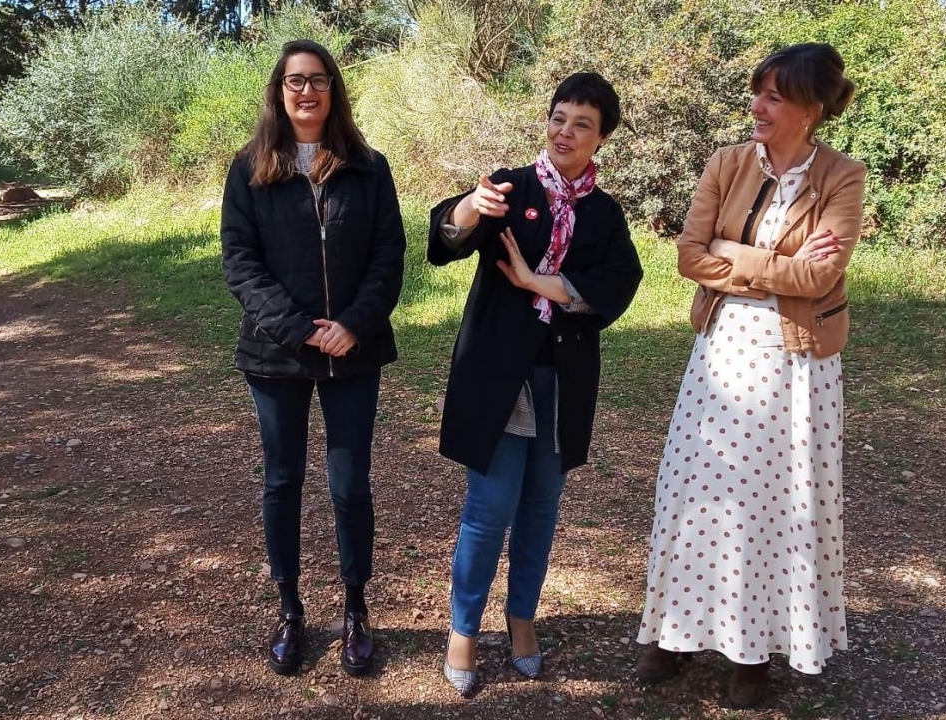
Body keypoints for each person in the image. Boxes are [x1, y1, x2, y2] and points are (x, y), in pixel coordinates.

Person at [633, 43, 866, 708]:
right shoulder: (727, 163)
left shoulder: (843, 177)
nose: (758, 107)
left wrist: (733, 257)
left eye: (773, 96)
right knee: (693, 490)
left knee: (774, 504)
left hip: (797, 362)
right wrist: (768, 264)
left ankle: (755, 651)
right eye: (757, 93)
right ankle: (674, 632)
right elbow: (687, 256)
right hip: (724, 350)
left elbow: (822, 276)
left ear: (811, 110)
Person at [427, 72, 643, 696]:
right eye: (558, 117)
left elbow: (619, 283)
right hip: (499, 376)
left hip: (563, 380)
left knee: (542, 511)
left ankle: (522, 619)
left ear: (601, 138)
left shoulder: (604, 212)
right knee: (488, 511)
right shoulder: (510, 186)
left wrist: (539, 283)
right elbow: (444, 240)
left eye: (582, 123)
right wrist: (470, 208)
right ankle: (463, 630)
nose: (565, 131)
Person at [220, 39, 406, 677]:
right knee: (283, 480)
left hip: (355, 352)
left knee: (350, 485)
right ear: (278, 92)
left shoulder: (368, 166)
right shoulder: (250, 169)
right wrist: (301, 329)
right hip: (277, 355)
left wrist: (353, 325)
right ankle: (290, 609)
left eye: (319, 80)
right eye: (295, 81)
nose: (307, 91)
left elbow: (389, 254)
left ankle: (356, 609)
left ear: (334, 91)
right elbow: (240, 262)